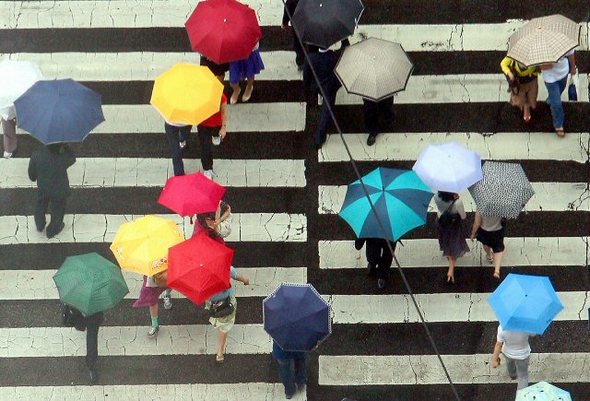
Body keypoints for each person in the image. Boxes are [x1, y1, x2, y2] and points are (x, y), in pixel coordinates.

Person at [195, 211, 249, 362]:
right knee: (224, 326)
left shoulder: (201, 273)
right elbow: (236, 275)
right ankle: (220, 351)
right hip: (225, 300)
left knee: (216, 315)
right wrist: (245, 280)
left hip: (212, 300)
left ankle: (214, 320)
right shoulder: (224, 267)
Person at [303, 39, 349, 148]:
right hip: (330, 87)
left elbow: (307, 78)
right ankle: (319, 137)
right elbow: (345, 49)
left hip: (317, 85)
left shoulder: (310, 58)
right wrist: (344, 39)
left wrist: (307, 89)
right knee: (326, 111)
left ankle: (312, 100)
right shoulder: (334, 56)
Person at [28, 143, 76, 238]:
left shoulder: (36, 155)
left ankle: (40, 224)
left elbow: (32, 176)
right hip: (59, 189)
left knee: (41, 204)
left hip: (43, 187)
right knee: (58, 209)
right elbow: (72, 159)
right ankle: (53, 230)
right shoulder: (62, 157)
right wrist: (66, 147)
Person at [434, 191, 470, 284]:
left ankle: (447, 254)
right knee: (453, 245)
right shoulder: (458, 203)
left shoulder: (437, 196)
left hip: (441, 222)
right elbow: (463, 216)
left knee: (445, 240)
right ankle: (450, 271)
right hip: (453, 226)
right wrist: (456, 200)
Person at [541, 50, 576, 137]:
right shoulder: (541, 49)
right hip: (550, 78)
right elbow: (539, 67)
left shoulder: (562, 42)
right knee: (557, 103)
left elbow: (571, 55)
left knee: (559, 91)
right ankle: (558, 124)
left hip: (563, 73)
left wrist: (573, 67)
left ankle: (551, 99)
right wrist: (548, 64)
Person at [67, 306, 104, 384]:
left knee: (91, 337)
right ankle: (91, 365)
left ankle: (80, 323)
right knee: (92, 337)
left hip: (79, 308)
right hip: (94, 313)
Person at [132, 268, 173, 338]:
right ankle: (155, 324)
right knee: (152, 299)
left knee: (171, 283)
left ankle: (166, 294)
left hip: (167, 269)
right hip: (152, 274)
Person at [491, 324, 532, 390]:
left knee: (510, 364)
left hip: (507, 353)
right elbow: (534, 333)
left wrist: (494, 360)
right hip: (523, 355)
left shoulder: (502, 327)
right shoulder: (526, 326)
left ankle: (513, 375)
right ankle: (521, 397)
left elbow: (498, 345)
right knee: (523, 376)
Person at [197, 93, 228, 180]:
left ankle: (215, 136)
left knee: (214, 135)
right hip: (203, 124)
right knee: (205, 147)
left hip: (216, 123)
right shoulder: (198, 96)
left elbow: (224, 112)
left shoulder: (221, 97)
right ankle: (207, 168)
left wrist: (223, 127)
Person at [500, 56, 539, 123]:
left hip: (531, 80)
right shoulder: (514, 55)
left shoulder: (535, 55)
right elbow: (503, 64)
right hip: (518, 82)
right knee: (518, 101)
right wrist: (510, 74)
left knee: (532, 101)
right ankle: (524, 105)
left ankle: (527, 106)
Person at [470, 210, 505, 279]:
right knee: (498, 248)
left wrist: (473, 233)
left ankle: (489, 255)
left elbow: (477, 223)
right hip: (498, 230)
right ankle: (497, 270)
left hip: (485, 230)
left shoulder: (481, 206)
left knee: (485, 244)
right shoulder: (502, 206)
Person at [281, 0, 304, 70]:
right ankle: (313, 59)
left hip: (297, 23)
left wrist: (284, 22)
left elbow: (288, 8)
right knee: (313, 43)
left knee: (298, 43)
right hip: (312, 21)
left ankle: (301, 62)